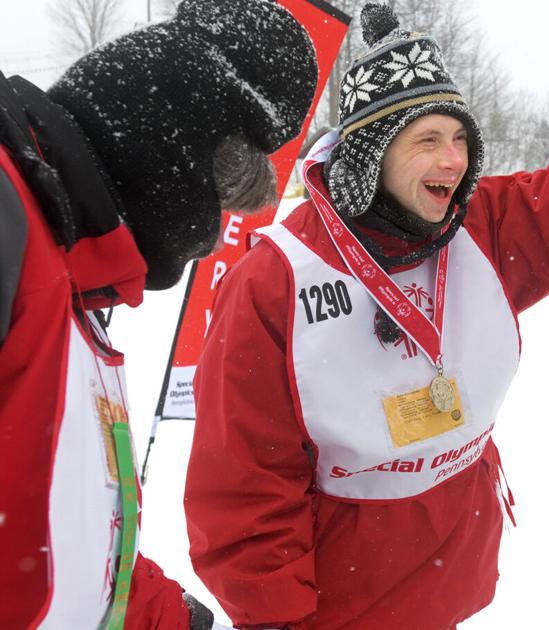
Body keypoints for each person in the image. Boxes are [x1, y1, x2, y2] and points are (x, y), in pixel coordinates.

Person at [183, 0, 549, 628]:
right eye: (428, 141)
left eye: (460, 138)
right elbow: (245, 486)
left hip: (452, 585)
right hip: (341, 610)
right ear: (372, 154)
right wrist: (276, 619)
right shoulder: (275, 281)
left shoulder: (480, 228)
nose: (453, 160)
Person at [0, 1, 317, 628]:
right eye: (217, 203)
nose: (206, 237)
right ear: (176, 152)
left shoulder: (73, 280)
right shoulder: (10, 222)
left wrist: (165, 618)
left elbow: (64, 544)